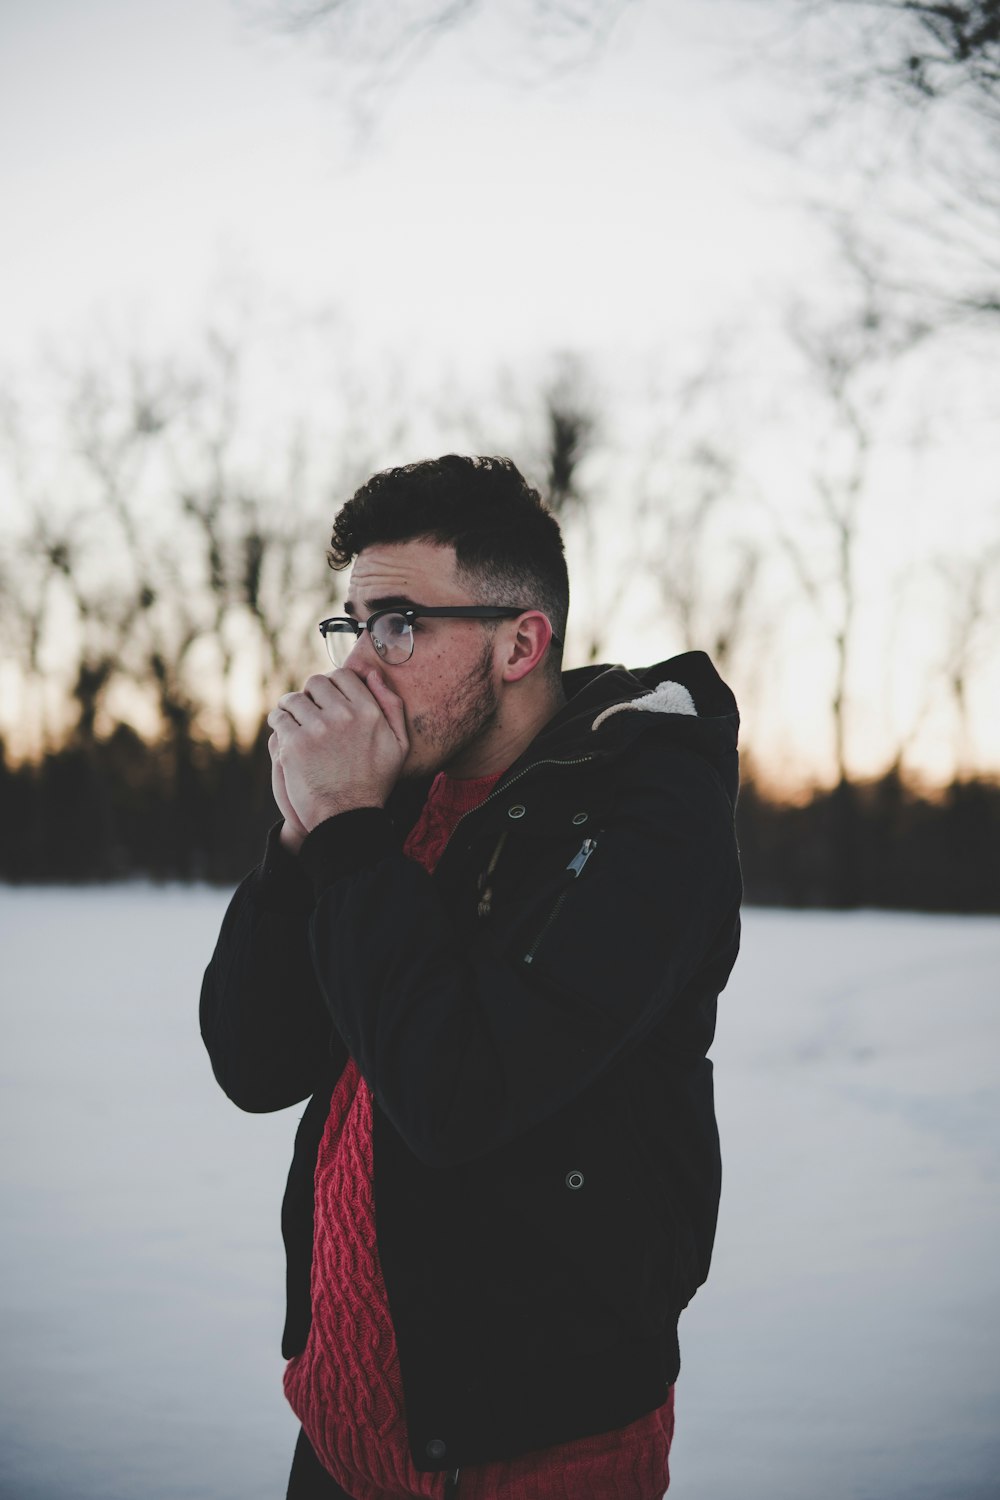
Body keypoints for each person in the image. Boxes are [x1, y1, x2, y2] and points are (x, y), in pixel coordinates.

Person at [200, 454, 742, 1500]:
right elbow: (255, 1060)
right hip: (340, 1428)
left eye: (400, 624)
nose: (360, 665)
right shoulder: (396, 800)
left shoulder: (639, 821)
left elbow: (460, 1094)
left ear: (519, 643)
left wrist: (350, 837)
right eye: (353, 626)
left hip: (536, 1445)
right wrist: (304, 834)